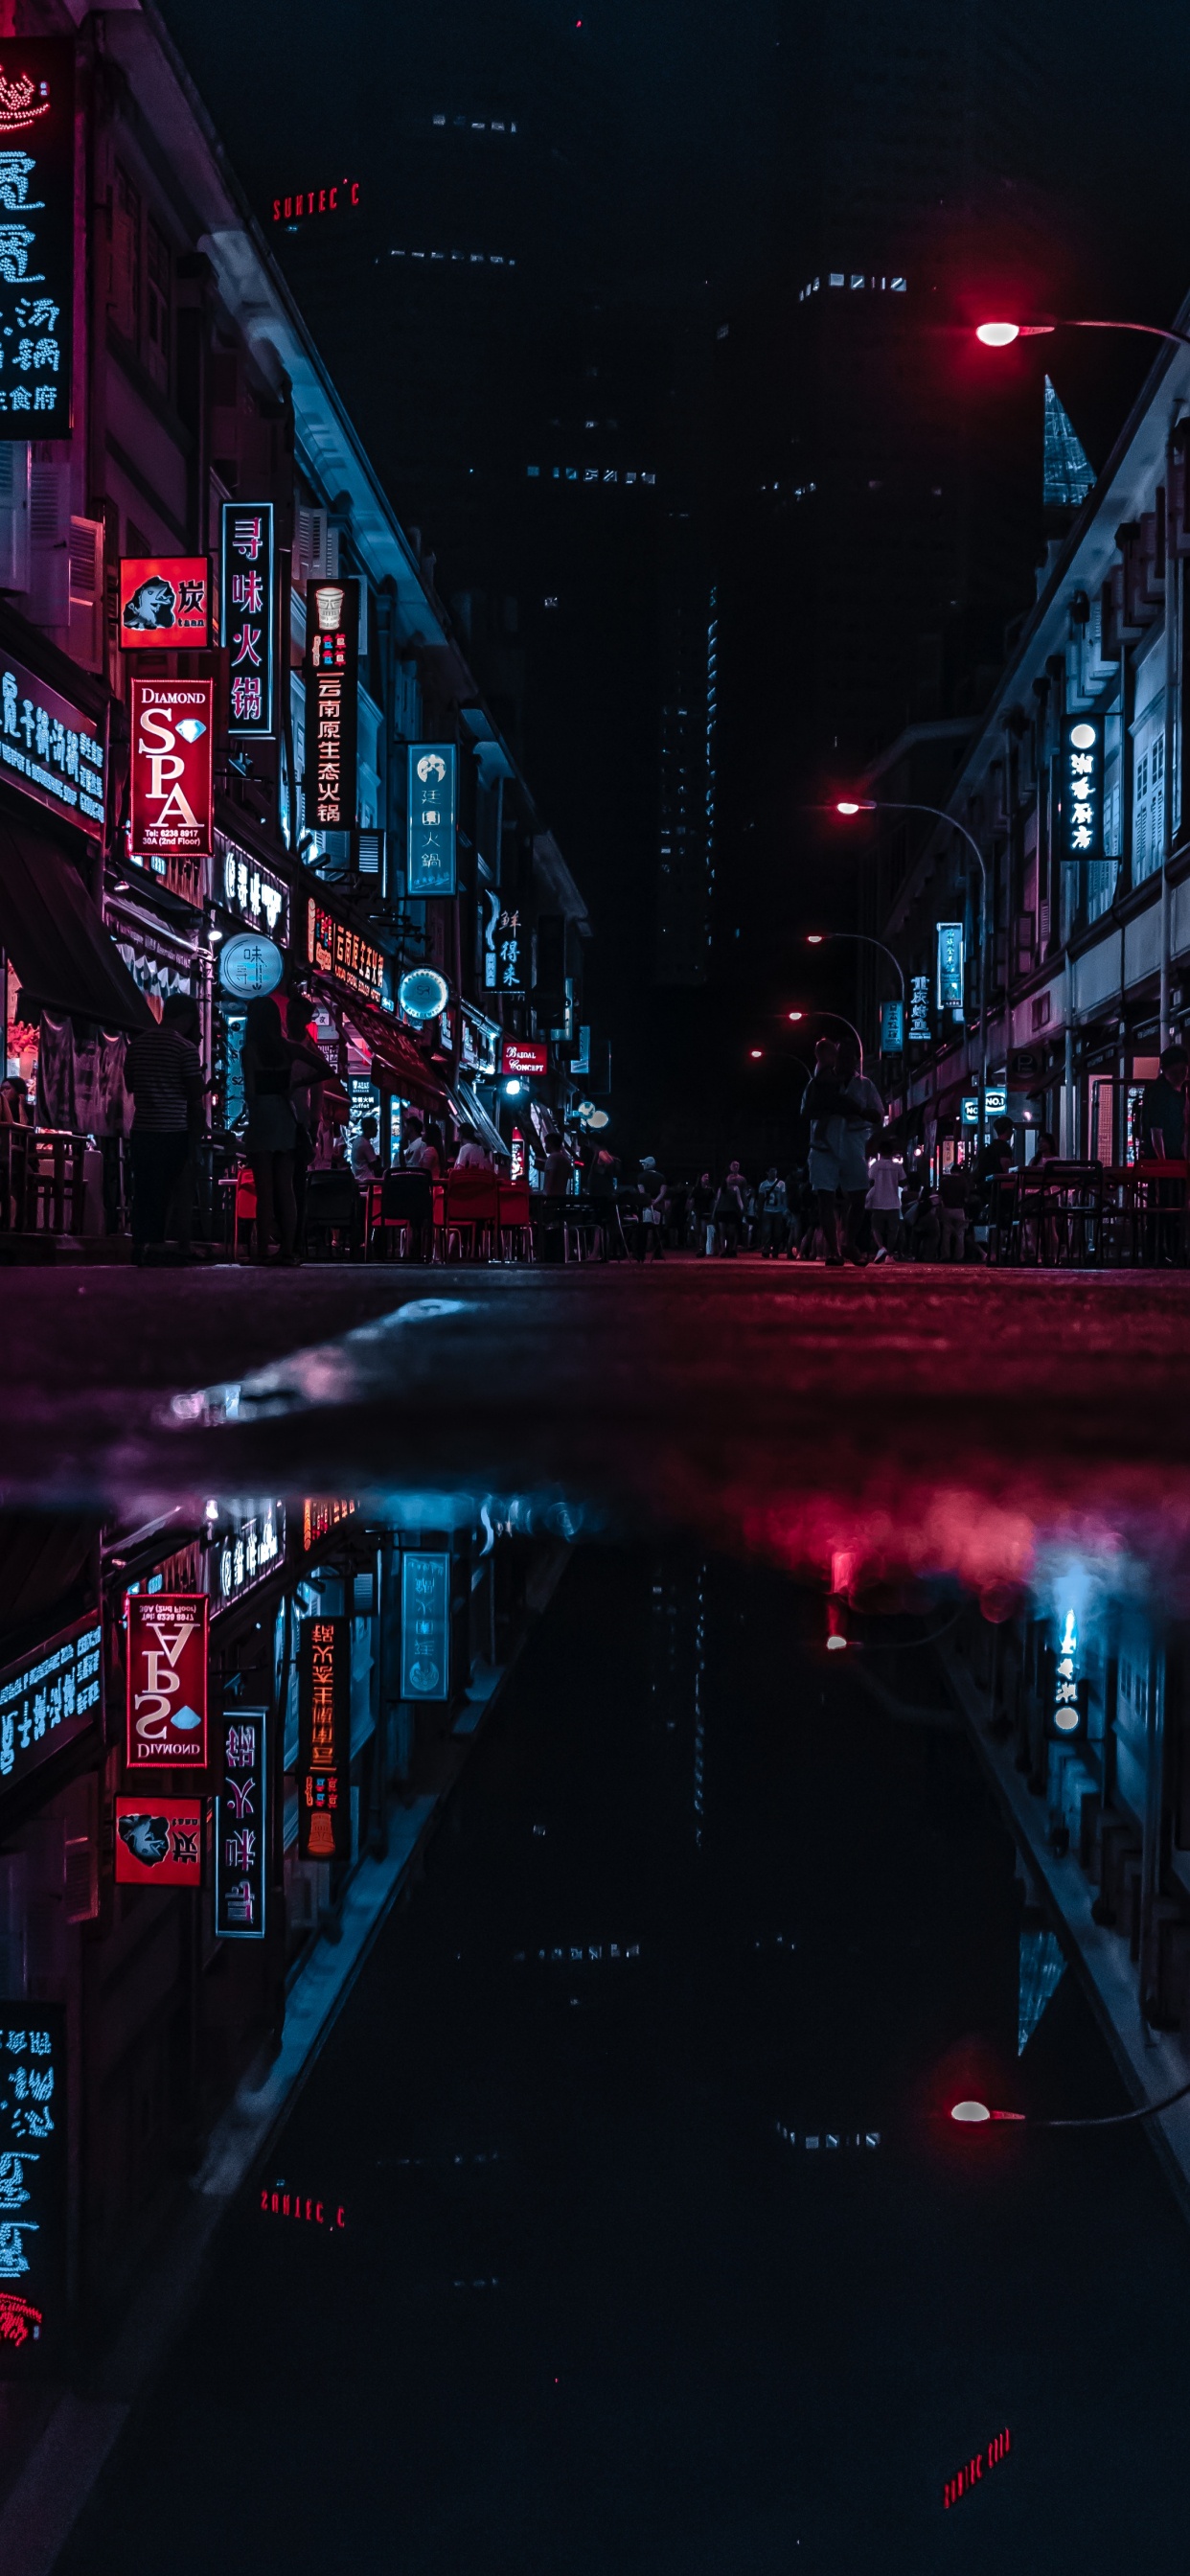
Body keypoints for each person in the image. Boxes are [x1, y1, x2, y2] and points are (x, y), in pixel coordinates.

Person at [241, 993, 329, 1264]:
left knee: (265, 1191)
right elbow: (325, 1069)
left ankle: (262, 1250)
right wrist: (295, 1086)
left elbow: (251, 1094)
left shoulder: (249, 1051)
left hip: (263, 1119)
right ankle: (289, 1249)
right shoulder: (290, 1048)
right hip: (285, 1116)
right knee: (286, 1188)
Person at [123, 998, 204, 1261]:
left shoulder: (137, 1045)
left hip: (143, 1127)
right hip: (172, 1129)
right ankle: (157, 1244)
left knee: (144, 1188)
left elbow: (131, 1084)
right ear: (188, 1018)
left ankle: (140, 1243)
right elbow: (194, 1093)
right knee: (166, 1190)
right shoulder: (185, 1048)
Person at [1142, 1045, 1188, 1160]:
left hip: (1174, 1153)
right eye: (1174, 1073)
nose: (1180, 1076)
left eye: (1183, 1071)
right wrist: (1163, 1163)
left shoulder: (1181, 1089)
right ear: (1163, 1070)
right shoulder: (1158, 1093)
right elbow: (1156, 1132)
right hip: (1161, 1158)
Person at [865, 1139, 904, 1260]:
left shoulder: (875, 1166)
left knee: (876, 1228)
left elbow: (870, 1181)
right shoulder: (897, 1167)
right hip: (893, 1202)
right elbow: (904, 1181)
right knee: (893, 1230)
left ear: (879, 1152)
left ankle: (881, 1248)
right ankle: (889, 1253)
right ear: (892, 1152)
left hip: (878, 1201)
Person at [938, 1156, 971, 1262]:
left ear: (951, 1171)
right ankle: (959, 1257)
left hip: (947, 1209)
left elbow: (939, 1196)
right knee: (960, 1234)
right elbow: (966, 1198)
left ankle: (945, 1255)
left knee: (946, 1234)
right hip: (959, 1210)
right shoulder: (963, 1181)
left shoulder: (944, 1181)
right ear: (960, 1172)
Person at [635, 1154, 666, 1260]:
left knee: (642, 1230)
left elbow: (641, 1191)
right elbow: (663, 1192)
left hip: (645, 1206)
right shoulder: (661, 1177)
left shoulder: (641, 1176)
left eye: (644, 1163)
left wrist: (648, 1202)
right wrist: (655, 1201)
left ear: (648, 1165)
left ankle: (641, 1254)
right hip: (657, 1206)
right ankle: (657, 1253)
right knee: (657, 1229)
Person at [712, 1162, 745, 1255]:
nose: (732, 1178)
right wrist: (714, 1213)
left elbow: (739, 1201)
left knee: (730, 1232)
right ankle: (723, 1249)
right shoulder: (721, 1189)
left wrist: (742, 1209)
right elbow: (717, 1201)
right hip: (722, 1211)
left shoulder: (736, 1188)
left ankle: (730, 1248)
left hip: (732, 1212)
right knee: (722, 1232)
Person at [756, 1166, 788, 1257]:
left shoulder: (781, 1184)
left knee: (777, 1232)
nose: (774, 1173)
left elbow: (783, 1197)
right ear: (768, 1173)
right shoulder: (763, 1184)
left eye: (775, 1172)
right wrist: (759, 1211)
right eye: (772, 1172)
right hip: (767, 1210)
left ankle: (775, 1250)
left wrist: (784, 1209)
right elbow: (761, 1199)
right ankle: (766, 1249)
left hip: (778, 1211)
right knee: (767, 1232)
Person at [402, 1114, 440, 1180]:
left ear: (411, 1128)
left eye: (405, 1127)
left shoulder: (425, 1146)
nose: (422, 1133)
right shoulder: (414, 1145)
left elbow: (423, 1171)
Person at [350, 1115, 382, 1182]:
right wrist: (379, 1159)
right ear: (368, 1130)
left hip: (358, 1179)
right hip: (367, 1180)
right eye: (375, 1127)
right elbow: (374, 1166)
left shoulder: (357, 1140)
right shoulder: (366, 1144)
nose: (377, 1130)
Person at [690, 1170, 716, 1255]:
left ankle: (703, 1247)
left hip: (706, 1212)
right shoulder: (696, 1189)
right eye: (705, 1176)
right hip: (697, 1211)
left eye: (708, 1177)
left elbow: (713, 1202)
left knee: (703, 1231)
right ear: (701, 1178)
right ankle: (699, 1247)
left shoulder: (710, 1190)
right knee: (697, 1231)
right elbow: (692, 1201)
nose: (707, 1178)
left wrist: (712, 1212)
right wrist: (690, 1211)